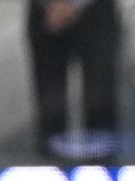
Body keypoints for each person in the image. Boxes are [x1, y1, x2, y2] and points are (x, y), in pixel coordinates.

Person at [28, 0, 122, 161]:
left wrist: (73, 5)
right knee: (50, 106)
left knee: (100, 101)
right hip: (45, 12)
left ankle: (101, 166)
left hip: (95, 12)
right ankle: (52, 164)